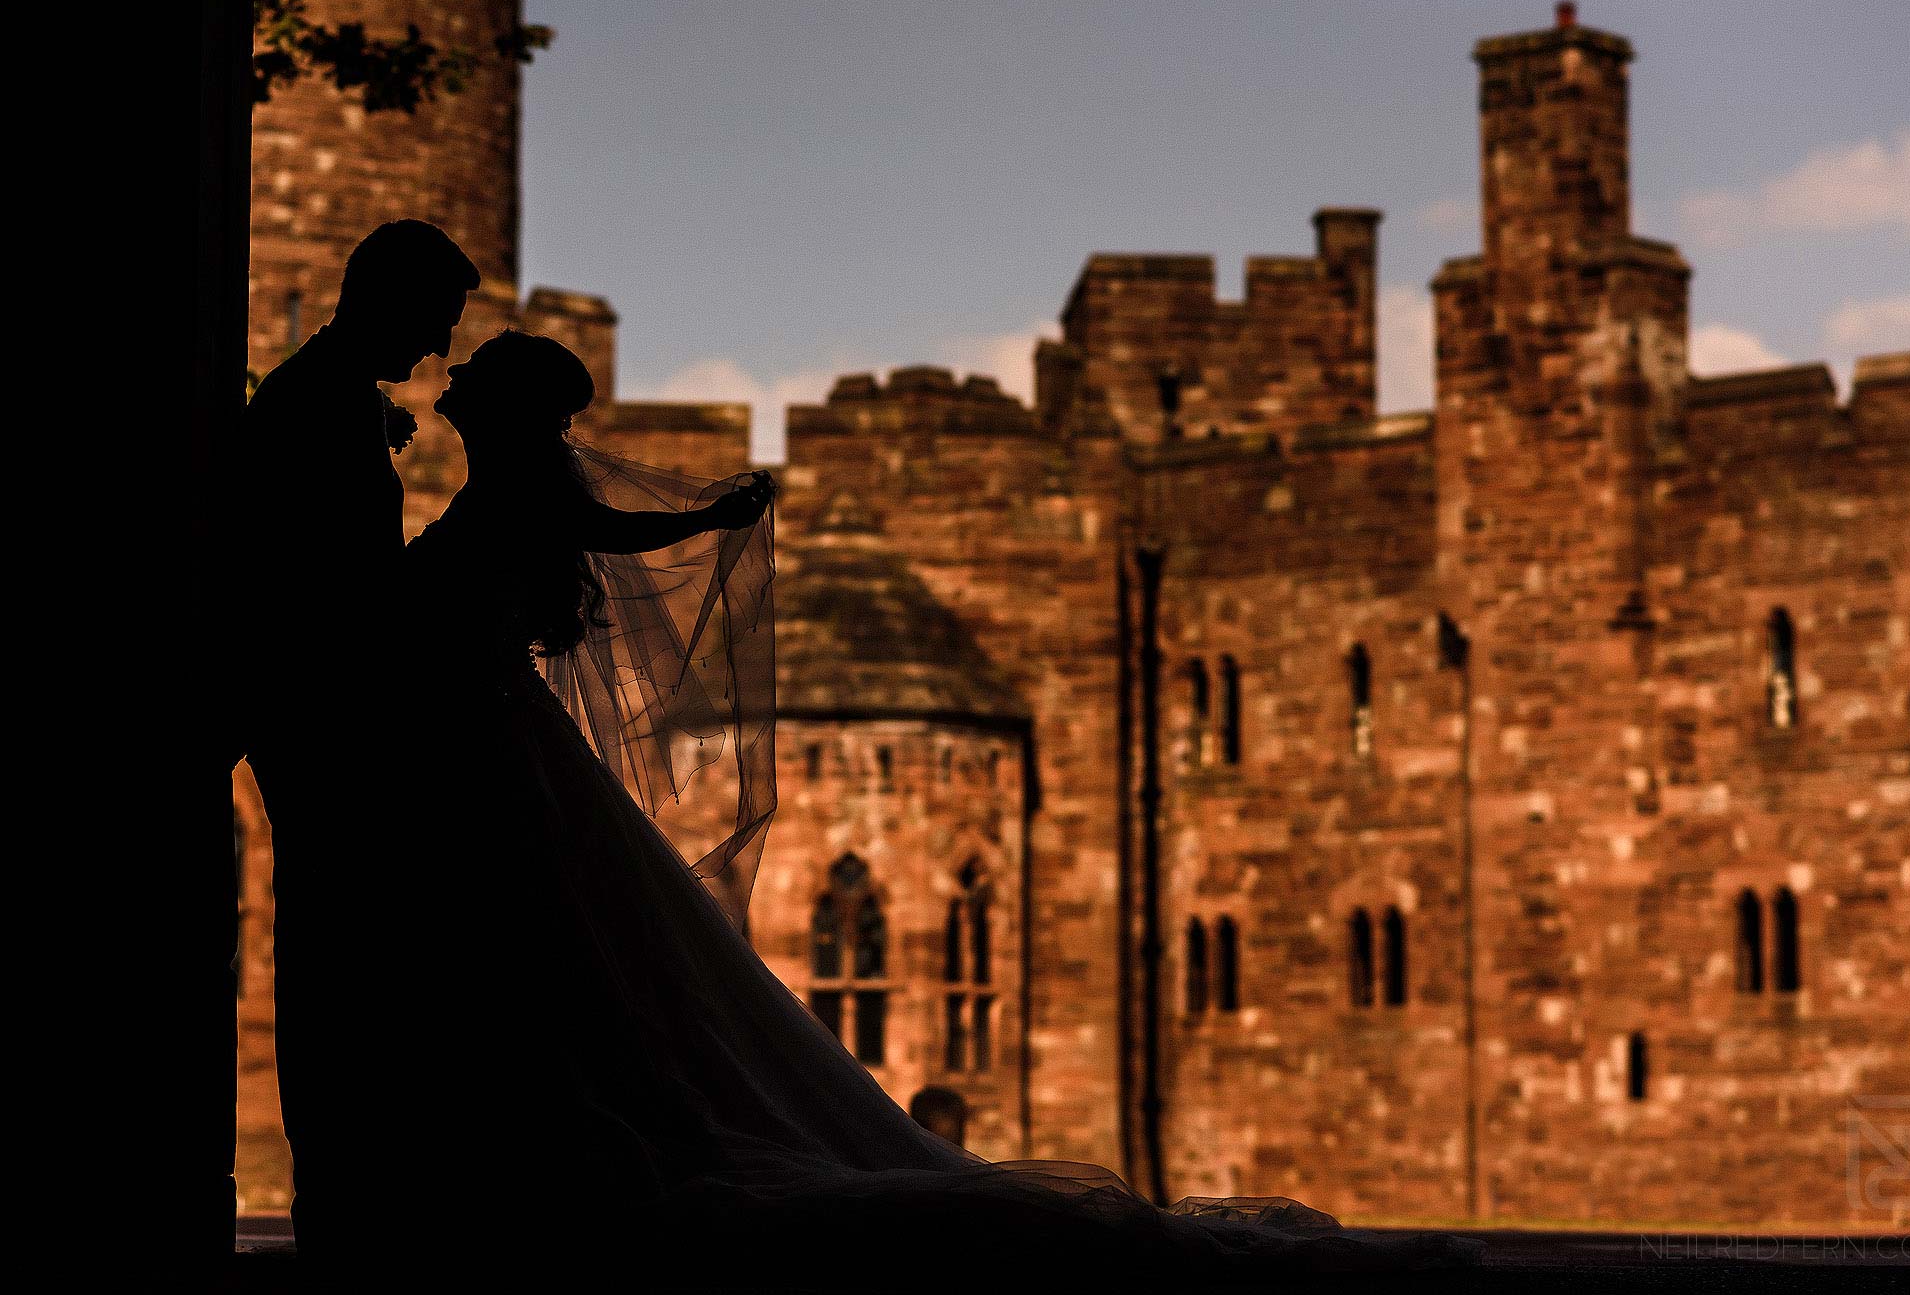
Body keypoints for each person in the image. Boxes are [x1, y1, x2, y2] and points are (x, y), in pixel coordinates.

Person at [392, 329, 1482, 1285]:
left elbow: (560, 559)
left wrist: (715, 512)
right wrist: (714, 511)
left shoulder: (502, 502)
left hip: (495, 747)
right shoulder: (529, 500)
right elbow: (603, 545)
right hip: (505, 744)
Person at [229, 220, 478, 1259]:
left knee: (347, 958)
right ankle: (347, 1193)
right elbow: (327, 590)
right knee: (339, 964)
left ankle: (356, 1186)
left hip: (328, 717)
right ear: (384, 296)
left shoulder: (325, 399)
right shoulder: (312, 408)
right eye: (433, 323)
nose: (436, 354)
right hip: (326, 722)